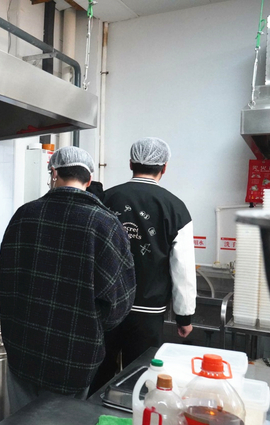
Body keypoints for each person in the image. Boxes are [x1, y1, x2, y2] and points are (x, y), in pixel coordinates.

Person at [0, 146, 136, 413]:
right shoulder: (105, 224)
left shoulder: (24, 215)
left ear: (54, 172)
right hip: (76, 354)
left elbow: (4, 279)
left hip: (22, 346)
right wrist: (91, 326)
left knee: (22, 419)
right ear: (90, 179)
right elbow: (120, 301)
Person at [90, 137, 196, 394]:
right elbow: (182, 267)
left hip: (105, 307)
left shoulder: (105, 198)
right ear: (164, 167)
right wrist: (184, 317)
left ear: (130, 163)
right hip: (148, 311)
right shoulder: (175, 207)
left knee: (98, 378)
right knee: (140, 381)